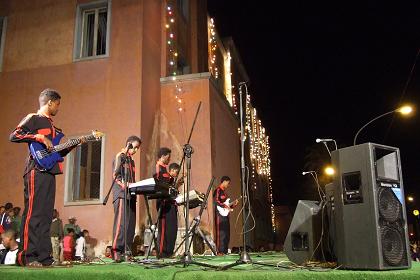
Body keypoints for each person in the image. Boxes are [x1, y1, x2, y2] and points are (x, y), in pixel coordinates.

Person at [9, 89, 82, 267]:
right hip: (35, 169)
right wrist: (39, 136)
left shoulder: (54, 128)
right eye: (57, 104)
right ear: (50, 102)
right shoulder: (33, 118)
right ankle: (27, 256)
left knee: (46, 216)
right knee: (34, 213)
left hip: (49, 171)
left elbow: (57, 151)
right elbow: (15, 135)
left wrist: (74, 144)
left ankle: (44, 257)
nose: (58, 108)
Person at [111, 135, 141, 261]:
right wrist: (124, 185)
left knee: (130, 224)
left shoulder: (131, 161)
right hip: (121, 194)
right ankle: (116, 250)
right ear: (129, 144)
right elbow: (116, 176)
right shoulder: (120, 156)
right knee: (121, 224)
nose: (136, 150)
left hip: (131, 195)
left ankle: (127, 251)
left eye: (138, 148)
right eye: (135, 147)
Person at [154, 148, 180, 258]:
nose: (169, 158)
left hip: (171, 202)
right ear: (163, 156)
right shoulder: (158, 167)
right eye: (168, 156)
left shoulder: (165, 169)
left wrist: (176, 184)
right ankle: (162, 252)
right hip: (163, 202)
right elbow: (159, 183)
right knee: (164, 228)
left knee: (172, 228)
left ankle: (169, 251)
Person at [213, 176, 238, 255]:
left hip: (226, 215)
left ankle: (225, 250)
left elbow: (228, 205)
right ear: (224, 181)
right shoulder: (218, 190)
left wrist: (233, 205)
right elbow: (216, 201)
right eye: (228, 183)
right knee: (221, 234)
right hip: (219, 215)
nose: (228, 184)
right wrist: (224, 206)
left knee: (226, 233)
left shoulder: (225, 193)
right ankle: (219, 251)